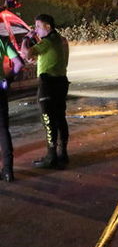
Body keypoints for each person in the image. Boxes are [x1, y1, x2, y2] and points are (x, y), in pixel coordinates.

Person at [21, 14, 70, 169]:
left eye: (38, 26)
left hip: (48, 83)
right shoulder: (61, 40)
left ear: (48, 26)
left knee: (48, 121)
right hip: (61, 82)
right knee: (60, 118)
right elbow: (56, 58)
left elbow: (26, 54)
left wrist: (25, 39)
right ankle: (63, 154)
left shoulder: (47, 42)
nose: (36, 30)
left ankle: (51, 157)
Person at [0, 36, 24, 181]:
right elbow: (19, 64)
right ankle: (8, 170)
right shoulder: (2, 41)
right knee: (3, 130)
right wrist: (8, 80)